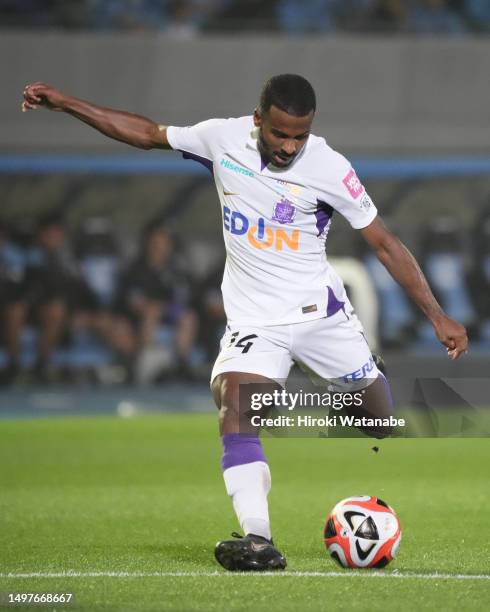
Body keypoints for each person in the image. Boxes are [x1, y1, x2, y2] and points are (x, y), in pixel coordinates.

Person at [22, 75, 468, 571]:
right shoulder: (221, 139)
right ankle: (259, 539)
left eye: (300, 136)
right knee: (236, 406)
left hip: (319, 316)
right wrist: (65, 104)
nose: (290, 146)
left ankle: (362, 385)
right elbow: (146, 133)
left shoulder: (330, 167)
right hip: (257, 321)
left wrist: (437, 315)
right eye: (281, 134)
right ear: (258, 120)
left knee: (378, 422)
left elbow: (383, 242)